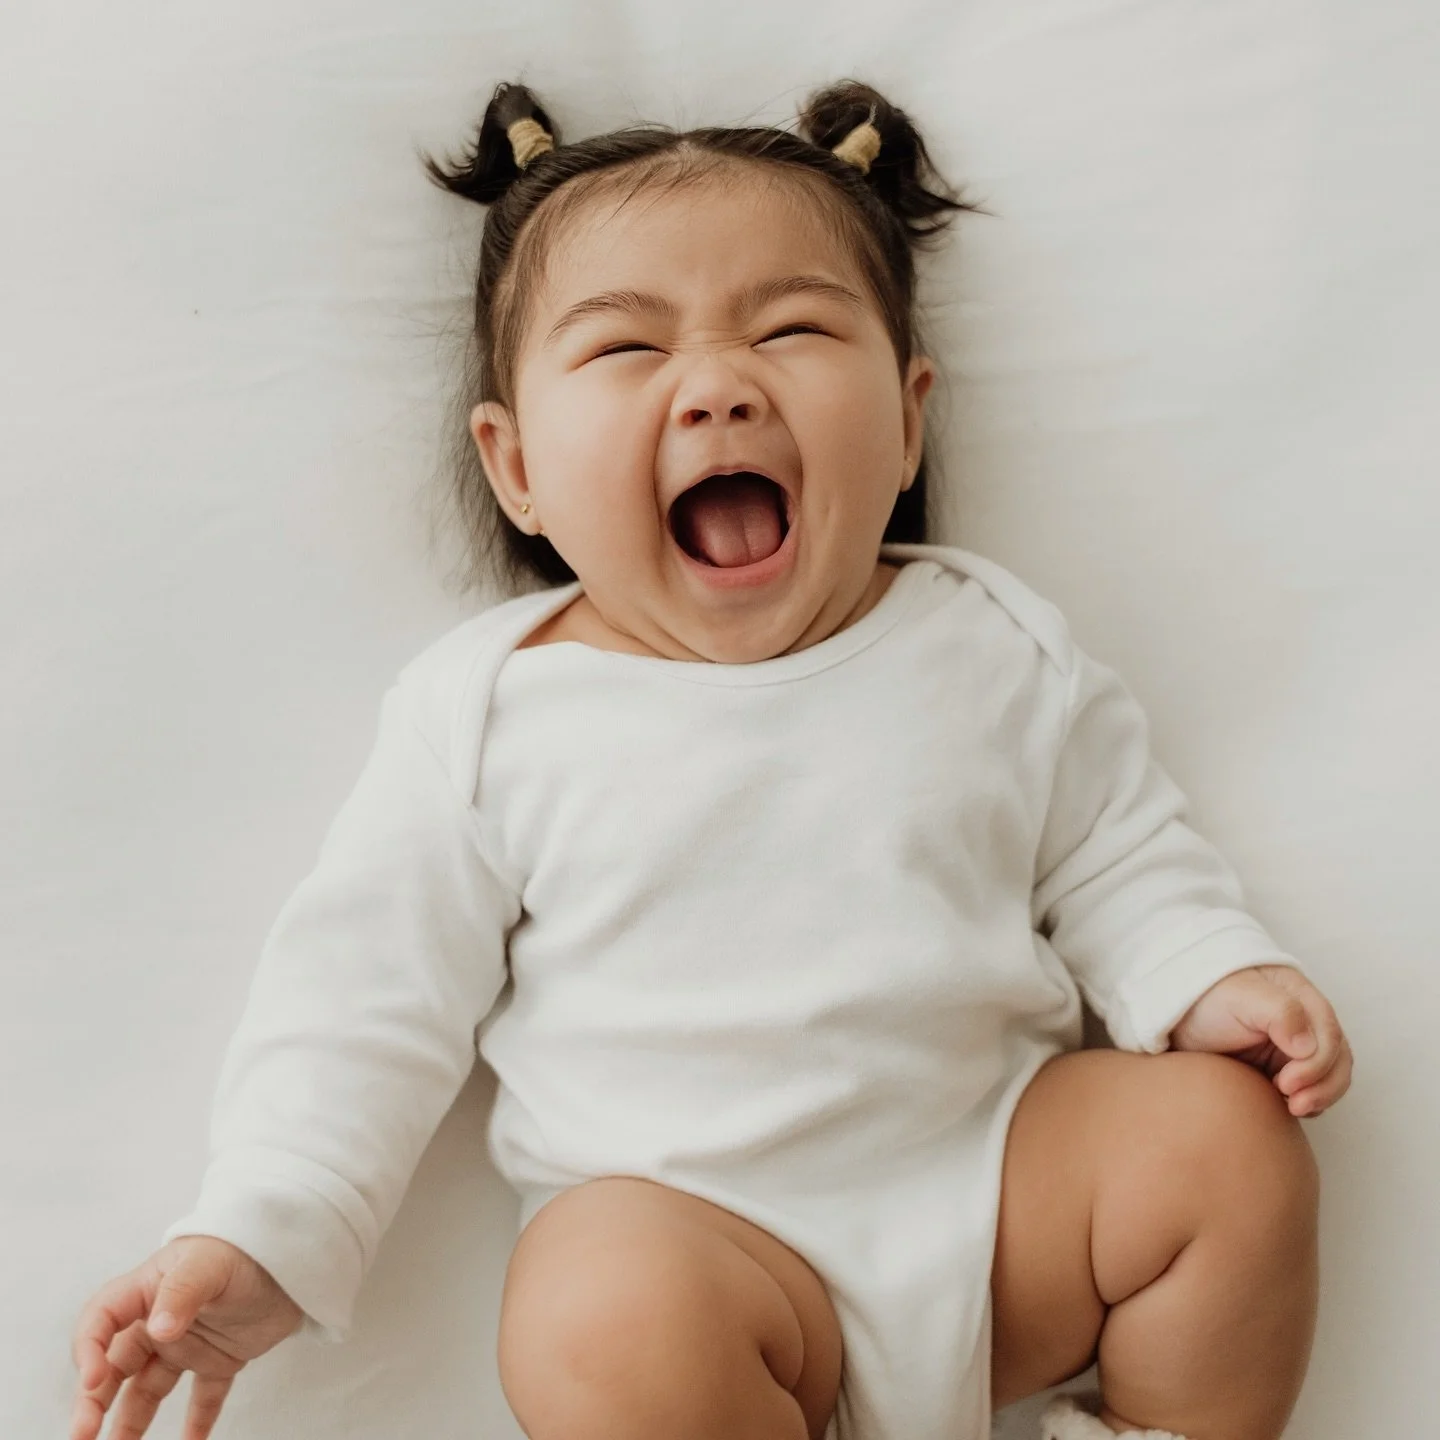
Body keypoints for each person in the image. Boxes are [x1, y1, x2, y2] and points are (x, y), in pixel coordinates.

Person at [69, 78, 1353, 1440]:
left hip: (1000, 1203)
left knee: (1224, 1145)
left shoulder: (989, 643)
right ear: (516, 467)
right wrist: (264, 1232)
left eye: (794, 329)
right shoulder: (491, 714)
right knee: (591, 1314)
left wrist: (1206, 971)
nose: (720, 388)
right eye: (627, 349)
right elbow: (360, 1005)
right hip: (704, 1257)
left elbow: (1116, 852)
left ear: (907, 418)